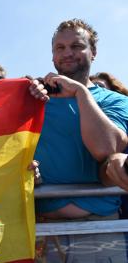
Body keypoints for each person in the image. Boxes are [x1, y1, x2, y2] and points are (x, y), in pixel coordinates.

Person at [29, 19, 128, 261]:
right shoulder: (34, 99)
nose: (67, 53)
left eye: (76, 46)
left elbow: (107, 149)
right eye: (60, 48)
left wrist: (81, 93)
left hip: (102, 230)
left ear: (93, 52)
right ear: (52, 56)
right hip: (42, 230)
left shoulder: (116, 100)